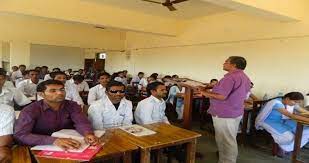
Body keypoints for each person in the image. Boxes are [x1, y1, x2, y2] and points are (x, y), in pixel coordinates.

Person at [14, 80, 98, 149]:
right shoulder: (30, 110)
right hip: (41, 146)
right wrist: (53, 141)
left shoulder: (72, 105)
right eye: (53, 91)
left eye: (62, 89)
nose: (59, 93)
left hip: (70, 143)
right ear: (41, 94)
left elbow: (81, 122)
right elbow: (20, 135)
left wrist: (88, 133)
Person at [199, 56, 251, 163]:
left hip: (225, 114)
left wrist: (203, 93)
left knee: (226, 140)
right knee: (229, 138)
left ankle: (227, 161)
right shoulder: (244, 77)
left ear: (234, 65)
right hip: (234, 112)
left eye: (226, 62)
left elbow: (221, 96)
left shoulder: (230, 78)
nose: (224, 63)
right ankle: (225, 160)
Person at [255, 92, 309, 156]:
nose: (296, 104)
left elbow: (303, 111)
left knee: (305, 131)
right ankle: (283, 148)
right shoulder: (276, 103)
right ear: (287, 99)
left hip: (282, 121)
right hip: (269, 121)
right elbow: (291, 116)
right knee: (289, 137)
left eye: (298, 102)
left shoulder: (290, 103)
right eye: (295, 102)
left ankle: (288, 148)